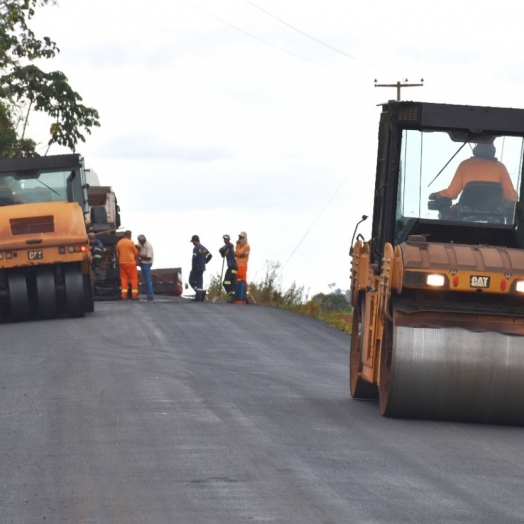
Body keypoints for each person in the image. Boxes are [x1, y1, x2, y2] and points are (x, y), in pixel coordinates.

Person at [430, 143, 517, 202]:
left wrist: (438, 194)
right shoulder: (500, 167)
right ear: (493, 150)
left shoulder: (465, 165)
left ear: (476, 149)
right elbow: (510, 196)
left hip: (465, 216)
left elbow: (451, 193)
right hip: (495, 218)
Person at [116, 230, 140, 300]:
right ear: (129, 235)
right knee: (134, 279)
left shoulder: (119, 243)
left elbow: (117, 255)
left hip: (122, 263)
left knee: (124, 279)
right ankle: (134, 295)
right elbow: (135, 253)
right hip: (131, 263)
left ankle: (124, 295)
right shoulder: (131, 242)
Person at [189, 235, 212, 301]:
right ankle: (199, 296)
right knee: (199, 281)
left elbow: (194, 258)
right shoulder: (204, 248)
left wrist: (193, 266)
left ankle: (200, 294)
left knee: (191, 280)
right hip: (202, 268)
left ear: (195, 240)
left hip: (196, 267)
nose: (193, 243)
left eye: (193, 242)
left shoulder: (196, 248)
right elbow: (210, 255)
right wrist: (205, 262)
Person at [219, 234, 238, 301]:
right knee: (232, 283)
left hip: (232, 267)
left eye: (226, 239)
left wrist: (224, 251)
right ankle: (233, 296)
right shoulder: (228, 247)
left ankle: (232, 295)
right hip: (234, 267)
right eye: (224, 239)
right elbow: (222, 254)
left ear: (229, 239)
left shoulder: (230, 245)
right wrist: (224, 253)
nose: (225, 240)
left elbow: (220, 249)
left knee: (226, 282)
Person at [137, 234, 154, 301]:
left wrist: (140, 256)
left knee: (147, 280)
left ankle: (150, 295)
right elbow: (137, 246)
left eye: (140, 241)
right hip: (142, 262)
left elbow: (149, 258)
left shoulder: (148, 246)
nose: (139, 243)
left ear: (143, 241)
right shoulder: (140, 244)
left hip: (147, 263)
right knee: (145, 279)